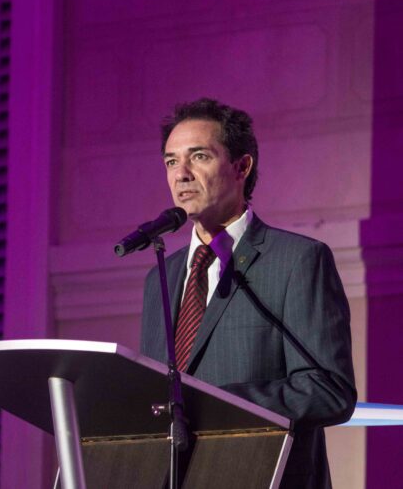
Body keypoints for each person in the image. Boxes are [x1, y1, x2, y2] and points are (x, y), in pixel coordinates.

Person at [140, 98, 356, 488]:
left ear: (242, 167)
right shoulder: (160, 277)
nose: (181, 174)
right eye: (171, 161)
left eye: (199, 156)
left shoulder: (297, 260)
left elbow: (330, 390)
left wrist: (215, 406)